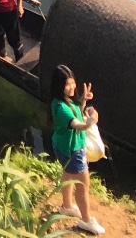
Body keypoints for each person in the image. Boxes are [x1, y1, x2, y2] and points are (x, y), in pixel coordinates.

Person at [49, 64, 104, 235]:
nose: (72, 87)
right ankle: (86, 221)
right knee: (83, 186)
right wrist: (91, 121)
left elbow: (76, 114)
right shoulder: (62, 108)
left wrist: (84, 100)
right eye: (67, 85)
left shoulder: (60, 102)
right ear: (60, 86)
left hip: (63, 147)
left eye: (73, 83)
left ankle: (67, 206)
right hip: (73, 150)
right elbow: (77, 125)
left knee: (68, 174)